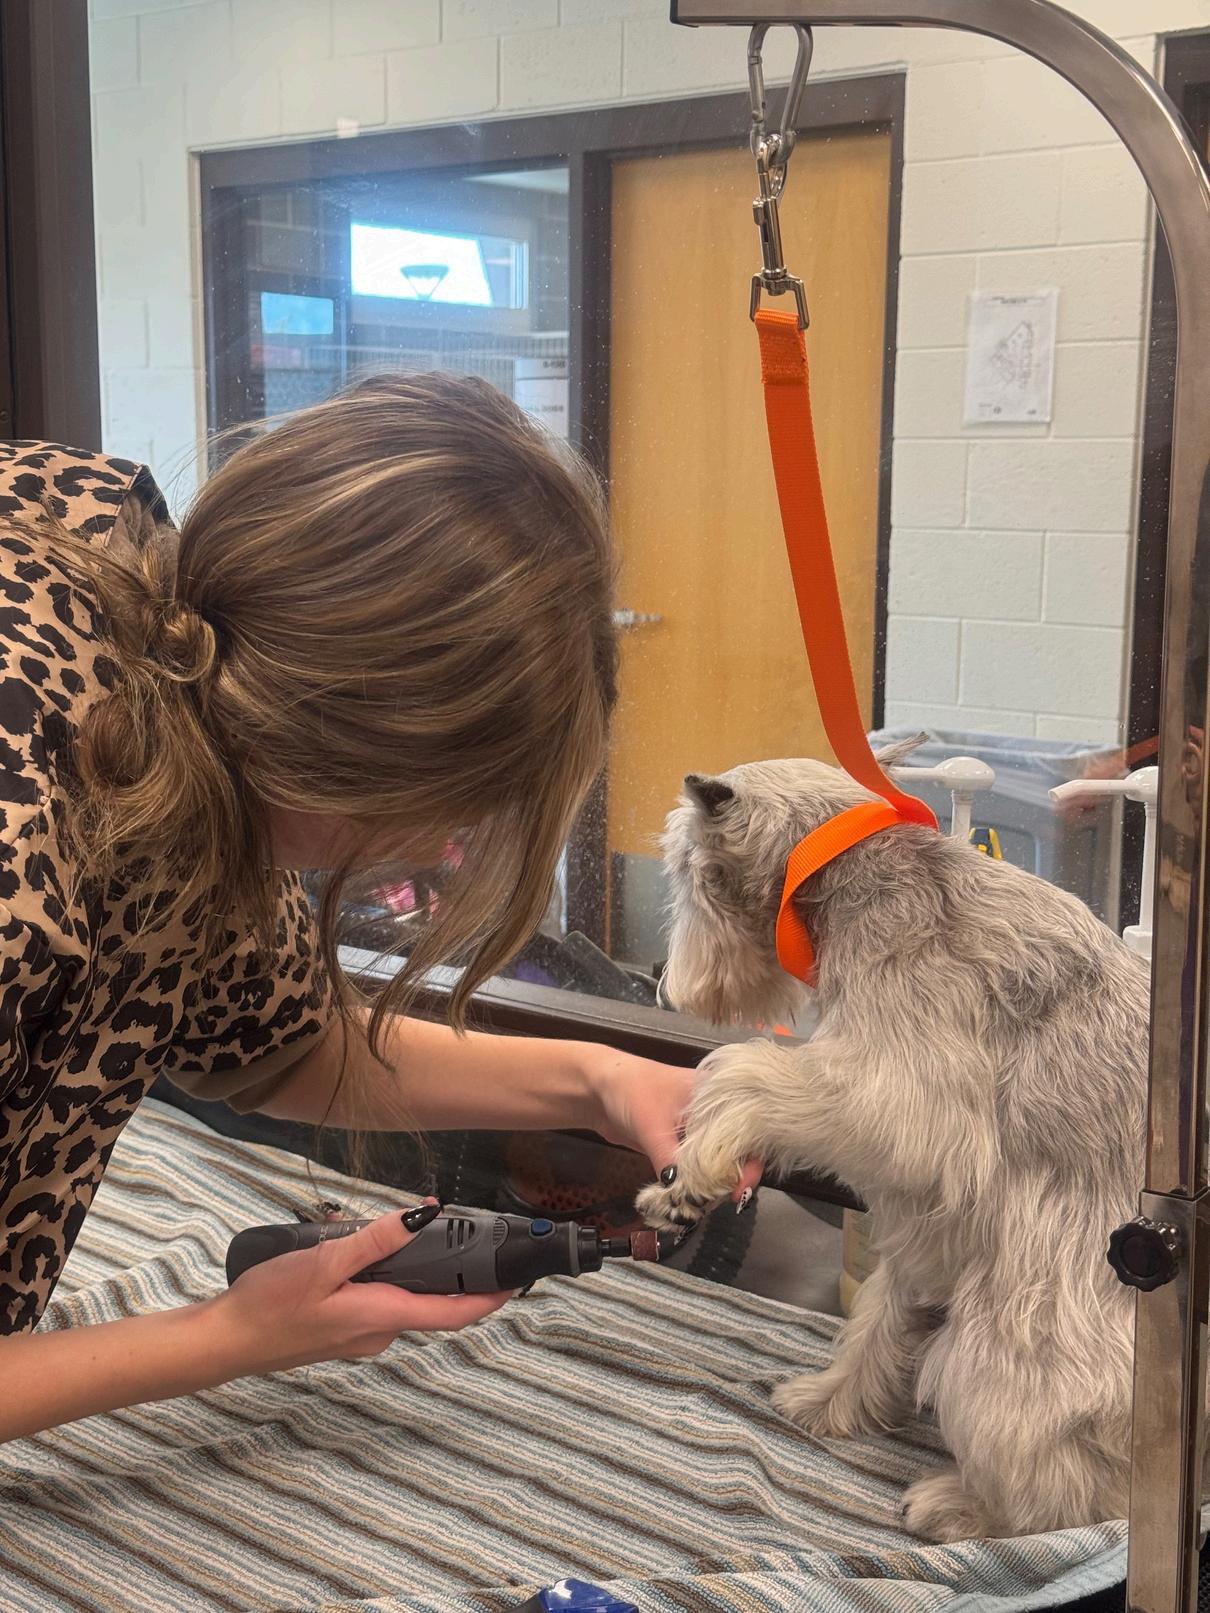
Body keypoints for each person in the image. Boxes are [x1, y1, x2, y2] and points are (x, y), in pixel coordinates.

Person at [0, 373, 704, 1445]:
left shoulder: (178, 678)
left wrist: (599, 1080)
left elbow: (276, 1041)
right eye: (454, 812)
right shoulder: (20, 863)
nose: (439, 848)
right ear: (354, 753)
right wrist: (231, 1335)